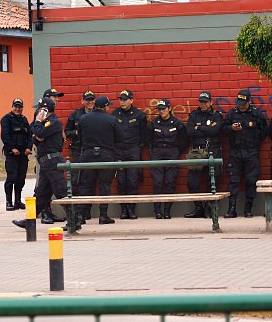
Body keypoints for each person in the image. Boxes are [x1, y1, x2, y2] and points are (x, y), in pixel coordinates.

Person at [71, 95, 125, 231]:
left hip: (88, 154)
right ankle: (103, 215)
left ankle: (80, 216)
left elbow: (80, 137)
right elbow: (121, 138)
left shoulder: (83, 119)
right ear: (106, 106)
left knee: (85, 186)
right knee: (104, 185)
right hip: (106, 155)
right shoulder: (112, 119)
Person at [14, 97, 66, 229]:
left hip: (52, 161)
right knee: (41, 194)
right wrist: (38, 132)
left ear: (45, 109)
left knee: (61, 192)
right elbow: (34, 132)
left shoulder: (53, 122)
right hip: (45, 163)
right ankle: (29, 221)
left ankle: (75, 220)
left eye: (39, 109)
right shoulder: (44, 122)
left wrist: (38, 125)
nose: (37, 112)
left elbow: (40, 132)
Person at [222, 89, 269, 218]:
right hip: (235, 152)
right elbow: (223, 129)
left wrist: (255, 142)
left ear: (249, 101)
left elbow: (264, 130)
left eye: (243, 103)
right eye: (239, 103)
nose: (240, 105)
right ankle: (232, 209)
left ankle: (248, 208)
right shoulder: (232, 114)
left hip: (251, 152)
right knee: (233, 180)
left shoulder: (256, 114)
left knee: (251, 180)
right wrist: (231, 128)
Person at [185, 91, 224, 218]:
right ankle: (198, 208)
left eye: (205, 102)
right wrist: (206, 129)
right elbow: (190, 132)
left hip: (213, 149)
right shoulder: (194, 115)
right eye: (201, 102)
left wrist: (199, 127)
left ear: (211, 102)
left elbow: (216, 131)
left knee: (212, 179)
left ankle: (209, 209)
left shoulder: (216, 115)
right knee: (192, 181)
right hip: (197, 150)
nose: (203, 104)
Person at [148, 99, 187, 219]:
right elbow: (148, 139)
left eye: (163, 109)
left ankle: (167, 211)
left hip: (172, 153)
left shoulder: (177, 123)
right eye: (159, 109)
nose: (161, 111)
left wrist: (176, 152)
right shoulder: (154, 123)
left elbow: (184, 139)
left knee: (170, 182)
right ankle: (158, 211)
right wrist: (154, 151)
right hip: (157, 153)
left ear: (169, 109)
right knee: (158, 182)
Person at [111, 89, 147, 219]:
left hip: (133, 150)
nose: (122, 102)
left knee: (132, 180)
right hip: (119, 150)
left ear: (131, 100)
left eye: (125, 99)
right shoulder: (114, 114)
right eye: (120, 99)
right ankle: (123, 210)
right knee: (121, 181)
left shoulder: (139, 115)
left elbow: (144, 135)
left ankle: (131, 209)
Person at [64, 90, 96, 218]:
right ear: (82, 101)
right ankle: (78, 212)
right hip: (78, 150)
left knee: (90, 180)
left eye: (92, 99)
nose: (90, 102)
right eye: (87, 100)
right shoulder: (75, 114)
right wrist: (78, 133)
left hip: (92, 151)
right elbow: (67, 131)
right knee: (77, 180)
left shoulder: (97, 114)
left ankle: (87, 211)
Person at [0, 98, 31, 211]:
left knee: (21, 179)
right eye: (16, 106)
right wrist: (12, 148)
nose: (18, 109)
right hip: (11, 154)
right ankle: (9, 202)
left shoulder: (24, 119)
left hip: (23, 154)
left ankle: (18, 201)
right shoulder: (6, 119)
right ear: (12, 107)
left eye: (20, 107)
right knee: (11, 178)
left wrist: (29, 147)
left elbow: (29, 135)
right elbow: (5, 136)